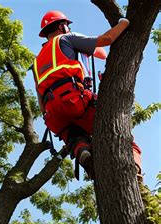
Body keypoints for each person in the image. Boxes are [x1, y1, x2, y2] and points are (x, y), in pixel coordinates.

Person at [33, 10, 142, 179]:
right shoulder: (67, 38)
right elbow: (107, 41)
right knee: (127, 139)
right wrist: (124, 23)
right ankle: (135, 172)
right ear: (62, 26)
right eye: (66, 26)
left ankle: (84, 154)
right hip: (73, 99)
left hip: (52, 113)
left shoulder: (37, 60)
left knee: (75, 137)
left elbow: (39, 97)